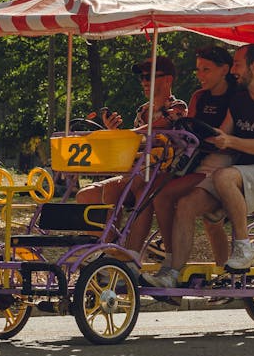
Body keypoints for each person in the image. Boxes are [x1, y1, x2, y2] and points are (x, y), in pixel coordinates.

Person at [146, 44, 254, 288]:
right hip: (241, 175)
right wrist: (187, 135)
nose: (233, 70)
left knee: (224, 176)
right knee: (186, 204)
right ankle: (171, 274)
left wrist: (229, 141)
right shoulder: (240, 100)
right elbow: (222, 133)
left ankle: (243, 247)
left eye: (237, 64)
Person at [76, 55, 189, 250]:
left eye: (149, 77)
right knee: (86, 195)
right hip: (137, 172)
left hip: (163, 175)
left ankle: (126, 252)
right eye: (142, 77)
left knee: (136, 189)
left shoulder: (178, 107)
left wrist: (127, 134)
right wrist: (115, 133)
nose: (144, 82)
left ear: (168, 79)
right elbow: (135, 144)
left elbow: (156, 127)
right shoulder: (142, 111)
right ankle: (106, 250)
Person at [150, 45, 237, 269]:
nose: (200, 75)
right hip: (196, 158)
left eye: (206, 69)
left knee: (167, 197)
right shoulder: (199, 96)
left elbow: (222, 137)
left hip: (222, 162)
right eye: (198, 69)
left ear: (224, 70)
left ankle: (173, 261)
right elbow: (190, 129)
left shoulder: (236, 96)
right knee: (156, 191)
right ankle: (176, 257)